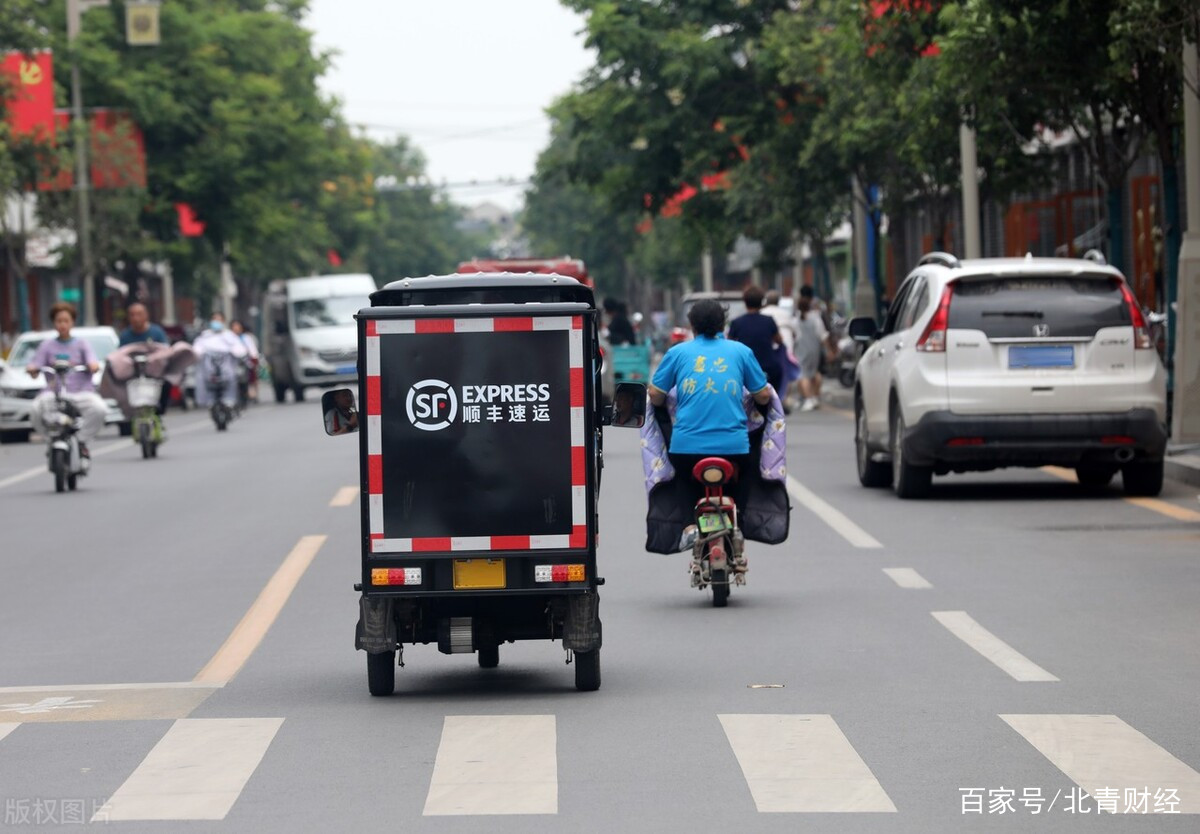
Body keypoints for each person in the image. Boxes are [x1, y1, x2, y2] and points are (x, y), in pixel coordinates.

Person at [649, 298, 772, 485]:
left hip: (685, 450)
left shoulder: (677, 353)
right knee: (744, 489)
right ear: (723, 325)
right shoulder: (741, 352)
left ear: (692, 325)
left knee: (683, 495)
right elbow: (763, 397)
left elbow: (655, 395)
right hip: (735, 449)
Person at [26, 303, 106, 456]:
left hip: (81, 392)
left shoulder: (82, 344)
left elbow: (93, 362)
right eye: (58, 321)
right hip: (53, 393)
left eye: (66, 321)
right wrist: (32, 369)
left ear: (72, 322)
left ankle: (82, 441)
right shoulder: (46, 345)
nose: (62, 324)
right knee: (35, 410)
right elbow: (35, 365)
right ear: (54, 323)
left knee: (99, 409)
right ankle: (51, 440)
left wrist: (92, 366)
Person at [728, 285, 783, 394]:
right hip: (769, 368)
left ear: (745, 302)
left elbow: (729, 344)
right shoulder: (769, 321)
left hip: (745, 369)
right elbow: (779, 340)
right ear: (762, 302)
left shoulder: (736, 323)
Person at [119, 302, 172, 413]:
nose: (135, 318)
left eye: (139, 314)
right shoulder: (125, 336)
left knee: (167, 382)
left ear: (146, 315)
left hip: (154, 374)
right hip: (133, 375)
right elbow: (119, 356)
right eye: (132, 315)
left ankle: (159, 410)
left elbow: (166, 351)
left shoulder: (157, 332)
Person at [192, 312, 247, 409]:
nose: (216, 322)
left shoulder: (229, 335)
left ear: (223, 321)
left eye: (219, 319)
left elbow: (239, 349)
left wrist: (237, 353)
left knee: (231, 377)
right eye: (214, 319)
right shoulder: (205, 335)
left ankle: (229, 399)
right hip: (209, 365)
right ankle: (209, 400)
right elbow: (197, 349)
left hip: (226, 365)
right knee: (204, 378)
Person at [795, 292, 832, 411]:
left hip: (801, 349)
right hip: (815, 349)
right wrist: (828, 350)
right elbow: (823, 335)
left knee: (803, 374)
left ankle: (809, 398)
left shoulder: (796, 319)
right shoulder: (815, 318)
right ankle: (816, 396)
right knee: (815, 372)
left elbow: (794, 336)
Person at [230, 319, 260, 404]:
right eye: (234, 326)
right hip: (232, 363)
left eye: (238, 326)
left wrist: (254, 360)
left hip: (244, 362)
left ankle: (248, 395)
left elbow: (253, 351)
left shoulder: (246, 338)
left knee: (248, 380)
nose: (236, 328)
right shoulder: (228, 338)